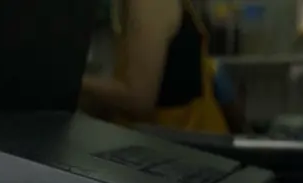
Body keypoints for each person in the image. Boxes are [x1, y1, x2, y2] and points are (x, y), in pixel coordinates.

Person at [79, 0, 231, 135]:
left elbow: (138, 100)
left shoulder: (149, 3)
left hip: (182, 144)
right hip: (171, 138)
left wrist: (73, 80)